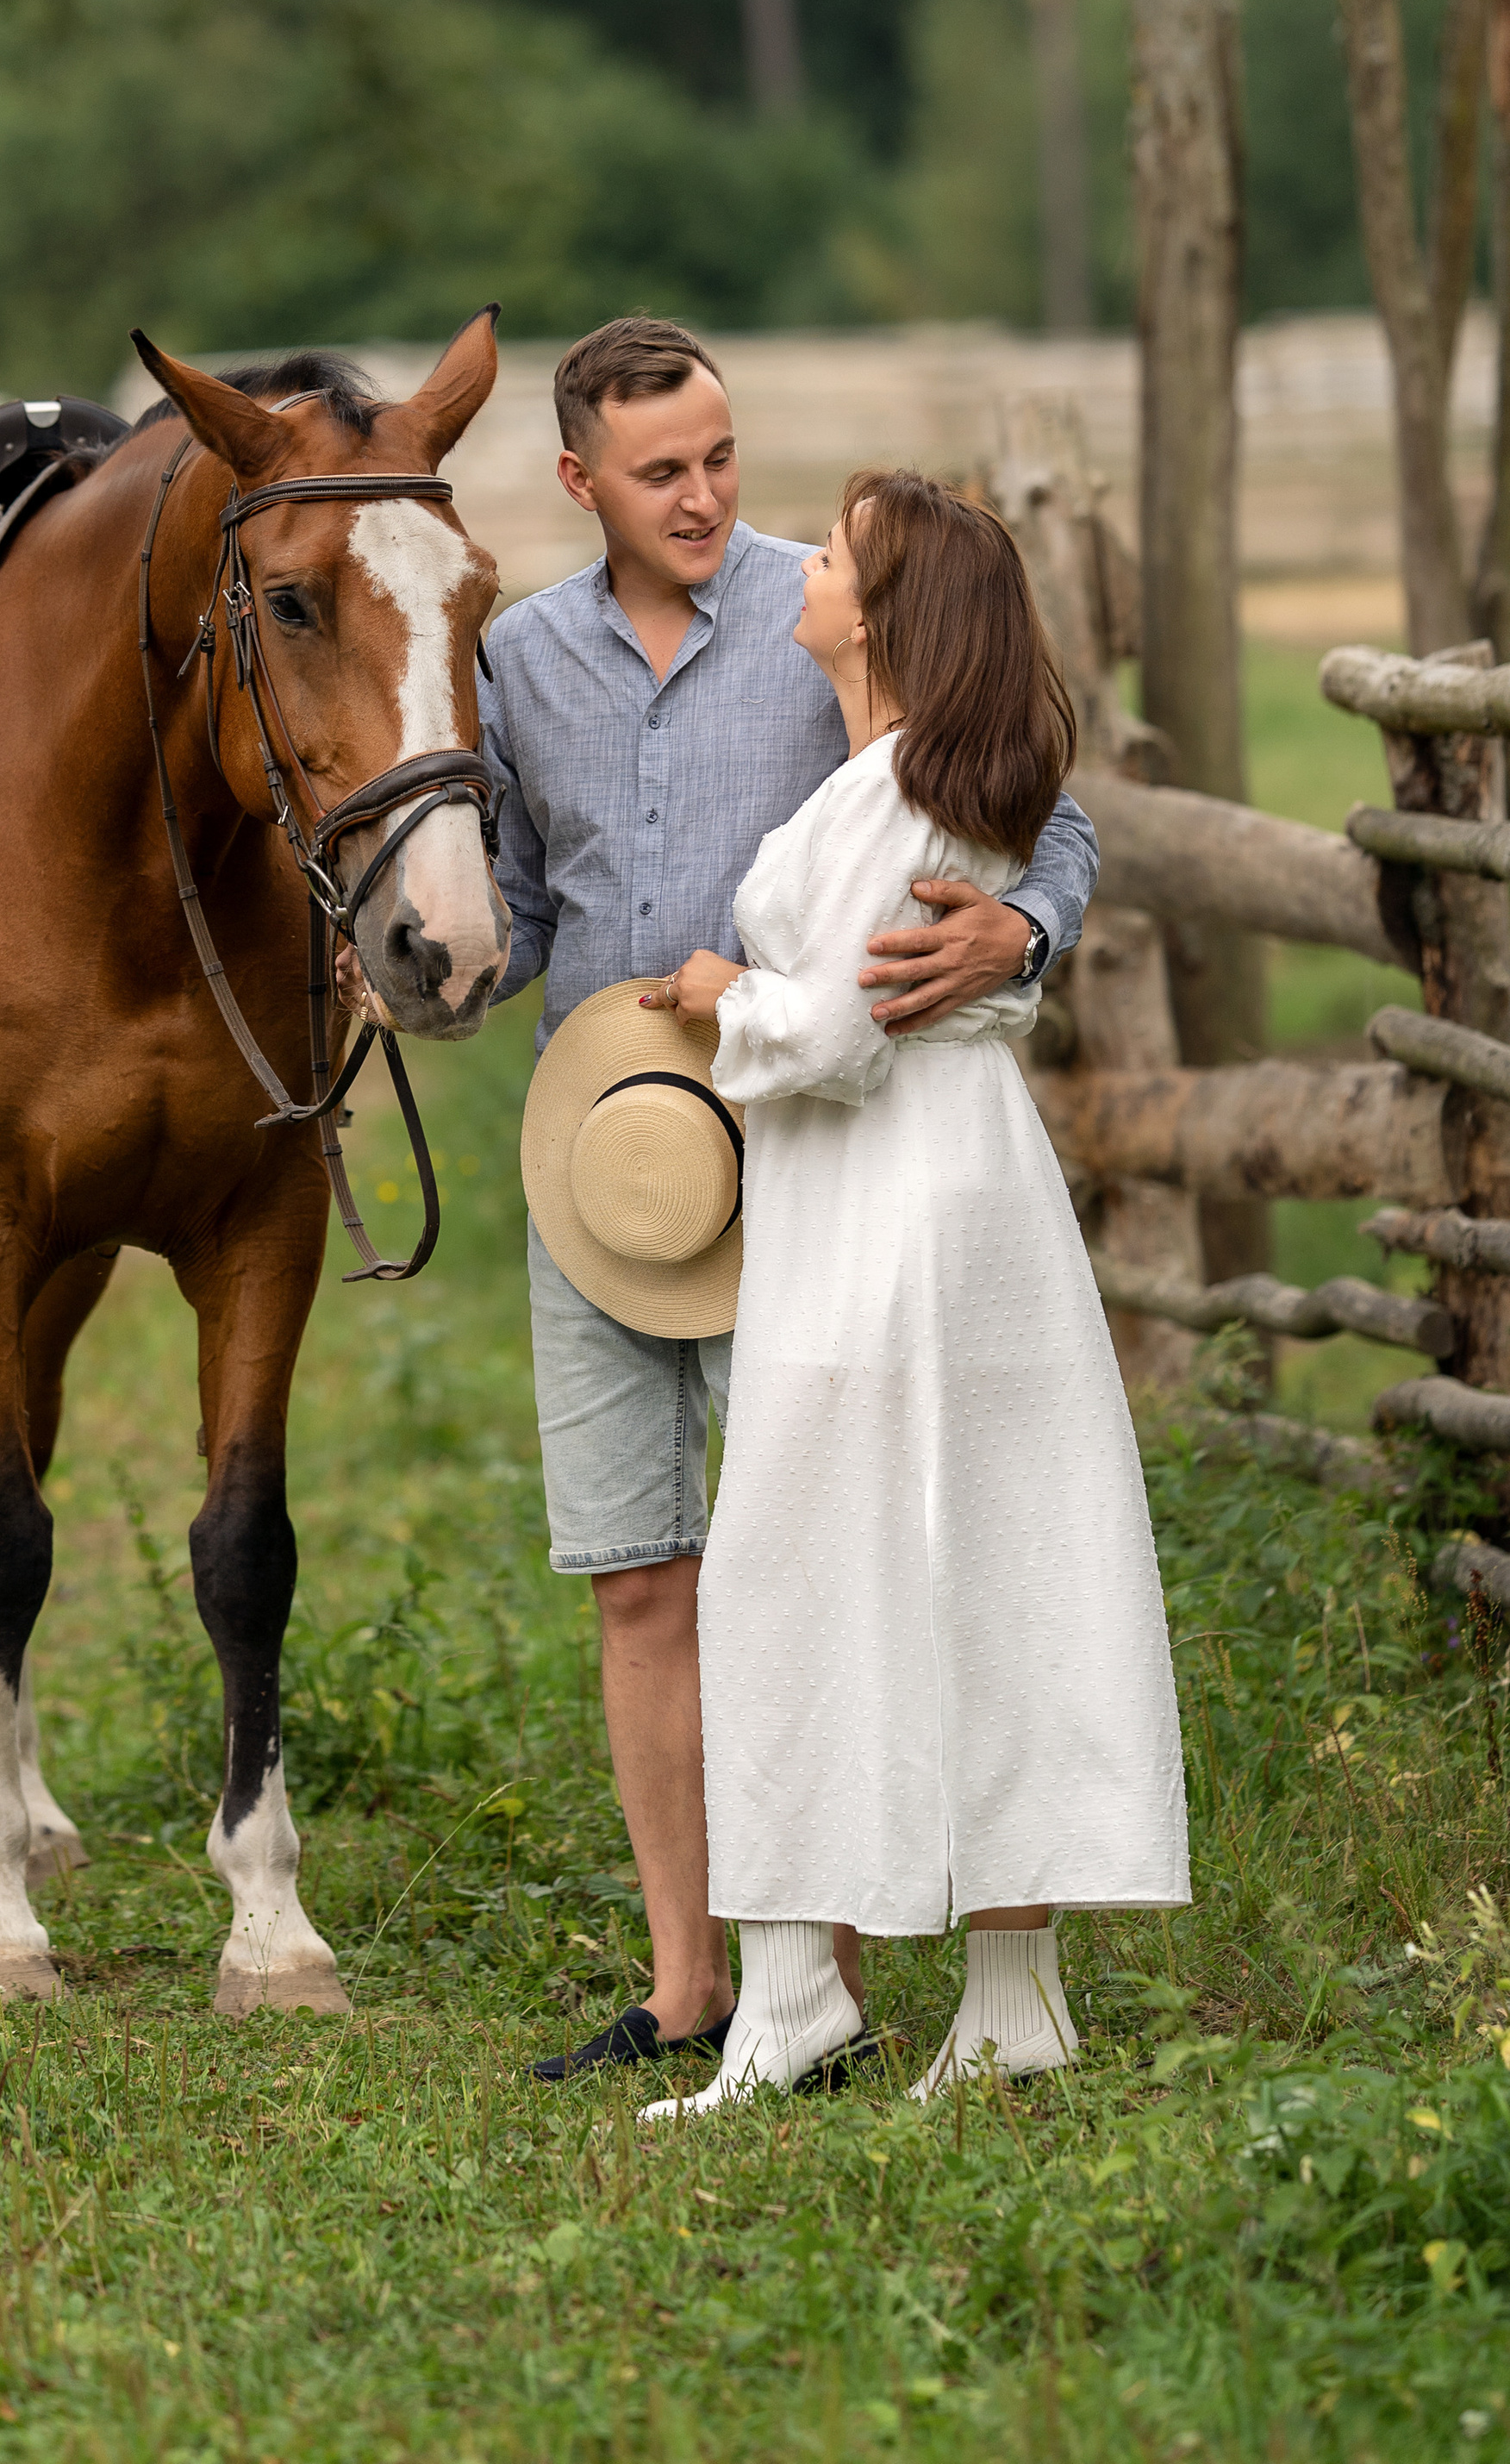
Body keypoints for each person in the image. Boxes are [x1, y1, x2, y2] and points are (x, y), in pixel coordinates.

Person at [468, 319, 1101, 2082]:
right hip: (605, 1171)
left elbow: (1038, 829)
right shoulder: (516, 661)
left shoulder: (853, 606)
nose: (702, 496)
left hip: (821, 1187)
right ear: (578, 480)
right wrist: (417, 968)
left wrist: (1021, 930)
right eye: (659, 470)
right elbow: (512, 901)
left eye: (719, 457)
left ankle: (820, 1967)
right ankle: (701, 1988)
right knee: (635, 1574)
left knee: (829, 1565)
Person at [635, 471, 1187, 2123]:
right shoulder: (925, 781)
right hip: (940, 1206)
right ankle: (992, 2002)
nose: (794, 563)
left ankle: (803, 2002)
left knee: (799, 1565)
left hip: (897, 1221)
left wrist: (730, 995)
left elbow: (841, 1029)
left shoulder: (897, 791)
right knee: (982, 1569)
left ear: (874, 615)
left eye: (826, 555)